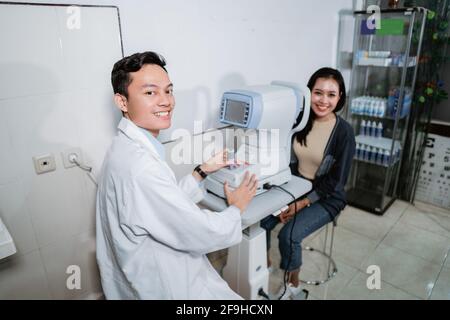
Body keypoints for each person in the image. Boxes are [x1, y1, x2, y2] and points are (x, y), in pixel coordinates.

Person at [96, 51, 258, 300]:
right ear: (122, 102)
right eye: (150, 92)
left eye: (168, 91)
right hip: (169, 288)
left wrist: (201, 171)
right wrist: (236, 209)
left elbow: (156, 209)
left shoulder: (122, 149)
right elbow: (200, 231)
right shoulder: (141, 168)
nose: (166, 101)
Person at [261, 67, 355, 295]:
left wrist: (300, 204)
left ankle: (293, 283)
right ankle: (264, 264)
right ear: (308, 92)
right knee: (263, 220)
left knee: (289, 235)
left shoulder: (344, 133)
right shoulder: (301, 121)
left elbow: (336, 181)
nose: (323, 101)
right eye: (318, 93)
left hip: (327, 196)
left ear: (340, 97)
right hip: (297, 186)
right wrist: (285, 198)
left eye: (331, 95)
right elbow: (290, 161)